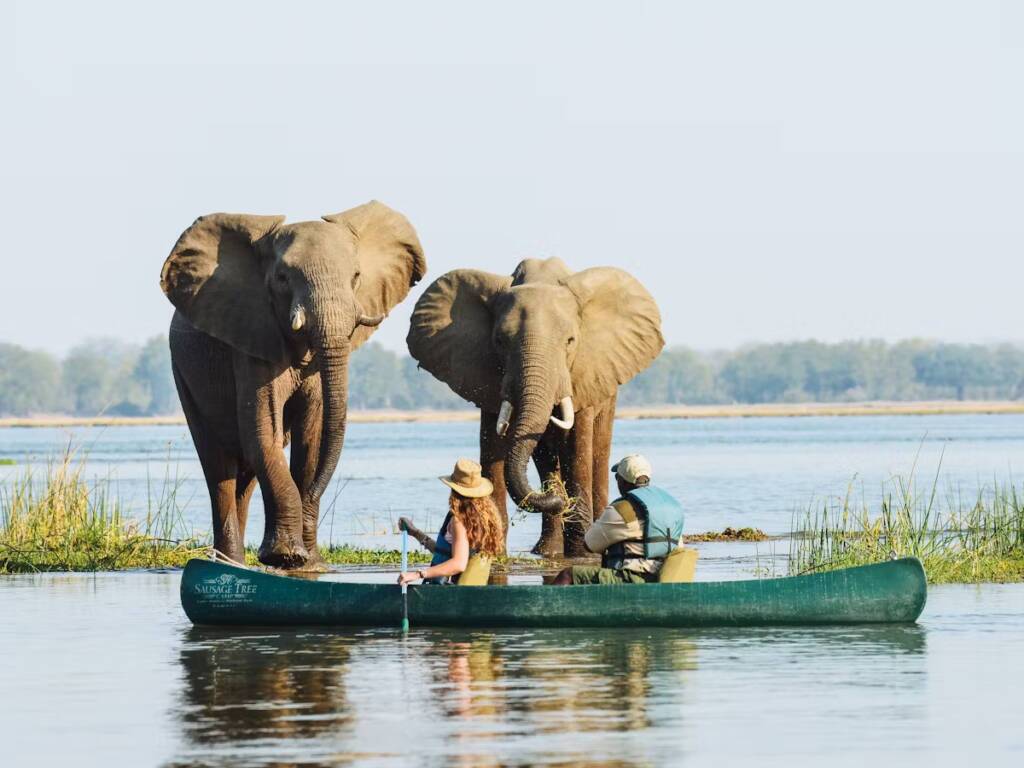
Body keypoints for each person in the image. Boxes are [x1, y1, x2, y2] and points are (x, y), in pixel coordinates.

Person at [551, 454, 684, 585]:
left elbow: (590, 545)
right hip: (662, 578)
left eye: (617, 477)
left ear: (623, 482)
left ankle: (548, 600)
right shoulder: (668, 507)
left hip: (631, 579)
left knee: (567, 574)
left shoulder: (621, 509)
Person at [397, 458, 504, 585]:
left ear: (454, 490)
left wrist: (417, 574)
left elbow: (459, 564)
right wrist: (415, 533)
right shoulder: (486, 519)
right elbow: (446, 552)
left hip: (452, 593)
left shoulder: (459, 521)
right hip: (475, 591)